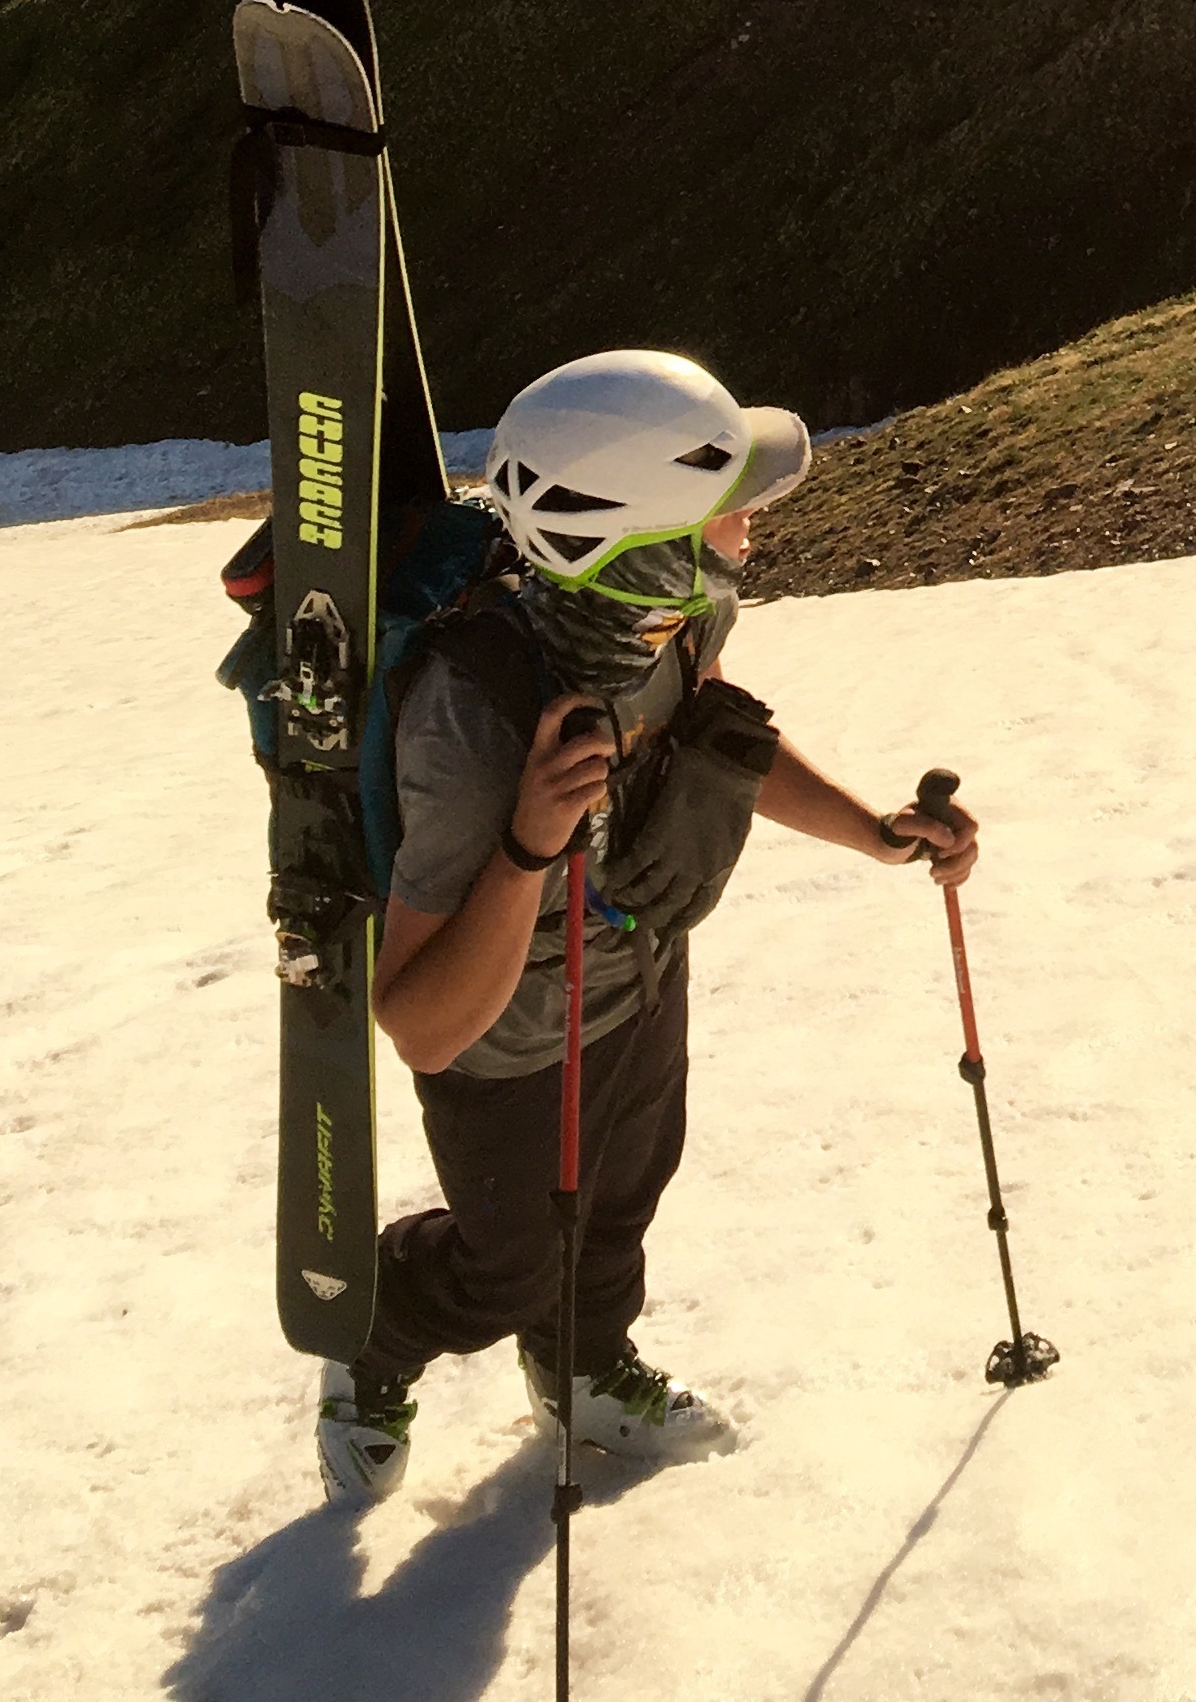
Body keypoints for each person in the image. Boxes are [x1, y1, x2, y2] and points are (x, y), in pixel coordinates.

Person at [315, 346, 973, 1506]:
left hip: (642, 978)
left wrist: (876, 830)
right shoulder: (473, 719)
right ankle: (376, 1333)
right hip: (510, 1050)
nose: (752, 529)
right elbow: (419, 1025)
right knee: (505, 1267)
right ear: (641, 547)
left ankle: (584, 1365)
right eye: (727, 514)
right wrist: (528, 843)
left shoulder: (662, 624)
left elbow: (719, 741)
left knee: (623, 1199)